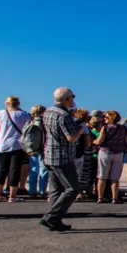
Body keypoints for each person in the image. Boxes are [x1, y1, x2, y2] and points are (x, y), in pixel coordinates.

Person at [40, 87, 87, 231]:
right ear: (67, 99)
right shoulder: (64, 116)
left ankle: (55, 220)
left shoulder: (47, 112)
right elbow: (71, 138)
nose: (73, 99)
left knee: (55, 189)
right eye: (72, 96)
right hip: (62, 156)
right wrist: (80, 129)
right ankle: (52, 216)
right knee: (72, 188)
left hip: (49, 154)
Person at [0, 96, 31, 202]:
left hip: (3, 144)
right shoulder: (24, 115)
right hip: (17, 144)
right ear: (18, 103)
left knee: (2, 169)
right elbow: (28, 130)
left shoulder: (0, 113)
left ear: (6, 103)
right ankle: (12, 195)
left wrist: (4, 132)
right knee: (15, 169)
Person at [95, 110, 127, 203]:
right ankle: (115, 197)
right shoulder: (123, 128)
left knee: (102, 176)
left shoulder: (105, 128)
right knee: (115, 177)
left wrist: (94, 142)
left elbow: (99, 141)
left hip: (105, 152)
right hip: (118, 153)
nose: (104, 119)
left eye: (106, 117)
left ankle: (100, 197)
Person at [26, 104, 48, 199]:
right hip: (42, 148)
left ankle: (32, 190)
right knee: (43, 170)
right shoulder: (44, 122)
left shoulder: (30, 122)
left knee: (33, 170)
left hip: (32, 148)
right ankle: (42, 190)